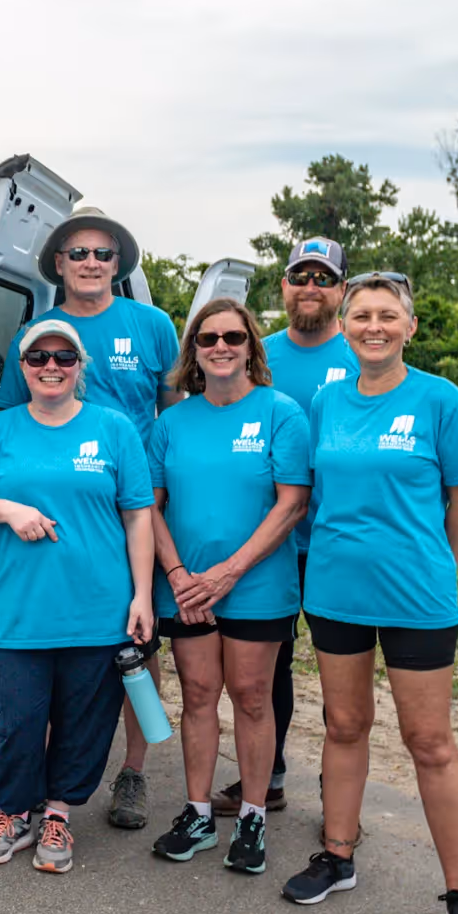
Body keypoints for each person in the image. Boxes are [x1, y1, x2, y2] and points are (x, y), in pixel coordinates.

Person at [279, 272, 458, 914]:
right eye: (362, 315)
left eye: (387, 315)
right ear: (344, 327)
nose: (374, 325)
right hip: (336, 588)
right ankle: (337, 855)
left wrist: (435, 562)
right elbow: (308, 493)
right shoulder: (326, 401)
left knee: (429, 740)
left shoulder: (440, 399)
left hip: (417, 596)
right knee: (343, 725)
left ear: (410, 325)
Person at [0, 320, 156, 874]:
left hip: (98, 609)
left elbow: (137, 517)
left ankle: (58, 813)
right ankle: (14, 811)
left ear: (80, 366)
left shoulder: (113, 430)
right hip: (18, 610)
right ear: (23, 366)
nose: (51, 367)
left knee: (86, 720)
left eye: (63, 357)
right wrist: (9, 509)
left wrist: (143, 596)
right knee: (13, 720)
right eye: (38, 358)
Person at [0, 207, 181, 833]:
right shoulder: (42, 329)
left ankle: (132, 772)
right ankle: (49, 790)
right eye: (79, 254)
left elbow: (173, 409)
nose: (92, 263)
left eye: (103, 253)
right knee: (59, 653)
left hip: (136, 506)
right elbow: (6, 418)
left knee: (135, 643)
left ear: (119, 263)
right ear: (59, 264)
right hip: (60, 504)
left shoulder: (152, 325)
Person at [145, 299, 309, 875]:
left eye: (232, 337)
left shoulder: (280, 413)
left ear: (250, 347)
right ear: (193, 351)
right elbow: (150, 508)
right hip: (187, 587)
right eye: (208, 338)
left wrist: (230, 571)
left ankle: (252, 817)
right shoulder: (171, 423)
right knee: (196, 694)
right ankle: (196, 814)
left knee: (251, 696)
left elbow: (292, 503)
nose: (221, 347)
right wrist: (178, 575)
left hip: (256, 585)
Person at [213, 236, 360, 818]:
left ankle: (338, 794)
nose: (310, 286)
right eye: (301, 275)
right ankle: (268, 779)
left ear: (340, 291)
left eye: (324, 277)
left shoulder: (361, 355)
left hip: (332, 542)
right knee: (267, 668)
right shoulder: (256, 354)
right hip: (268, 542)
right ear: (284, 285)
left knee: (339, 674)